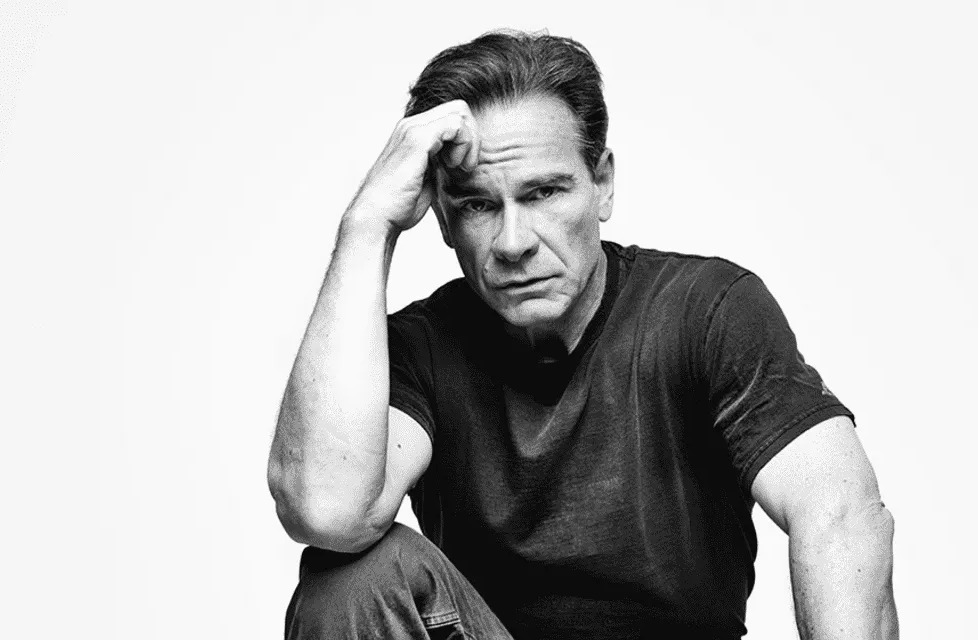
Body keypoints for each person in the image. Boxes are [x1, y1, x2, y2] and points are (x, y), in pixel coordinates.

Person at [267, 30, 898, 640]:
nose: (513, 242)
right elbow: (328, 511)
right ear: (442, 218)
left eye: (543, 192)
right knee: (349, 577)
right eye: (478, 205)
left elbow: (839, 510)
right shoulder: (423, 348)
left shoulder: (706, 311)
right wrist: (367, 224)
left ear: (602, 184)